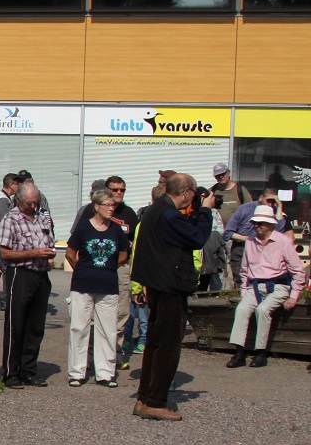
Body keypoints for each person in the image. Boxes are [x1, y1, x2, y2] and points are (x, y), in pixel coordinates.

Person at [132, 173, 213, 421]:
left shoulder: (156, 210)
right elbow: (197, 237)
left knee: (156, 342)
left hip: (158, 284)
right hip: (168, 286)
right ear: (186, 192)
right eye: (193, 194)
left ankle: (145, 397)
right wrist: (206, 211)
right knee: (167, 345)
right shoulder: (168, 214)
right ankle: (155, 401)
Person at [65, 190, 131, 387]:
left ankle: (105, 373)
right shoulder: (84, 227)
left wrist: (108, 268)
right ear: (97, 206)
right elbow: (70, 253)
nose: (111, 209)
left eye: (113, 205)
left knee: (108, 329)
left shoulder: (116, 230)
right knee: (79, 328)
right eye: (107, 205)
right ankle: (76, 372)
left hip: (108, 285)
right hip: (82, 285)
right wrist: (83, 269)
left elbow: (123, 254)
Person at [226, 204, 305, 368]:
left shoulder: (283, 241)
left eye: (260, 223)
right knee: (241, 309)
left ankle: (261, 353)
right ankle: (239, 352)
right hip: (255, 286)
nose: (256, 226)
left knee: (262, 310)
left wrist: (294, 295)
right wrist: (244, 290)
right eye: (255, 223)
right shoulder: (250, 242)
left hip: (278, 286)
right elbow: (244, 270)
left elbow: (297, 270)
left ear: (270, 224)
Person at [0, 183, 55, 388]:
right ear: (19, 200)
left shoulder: (42, 218)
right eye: (29, 203)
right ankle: (11, 372)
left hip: (41, 274)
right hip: (20, 273)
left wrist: (48, 253)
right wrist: (33, 253)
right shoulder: (10, 220)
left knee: (35, 326)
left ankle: (29, 370)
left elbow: (50, 240)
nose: (32, 206)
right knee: (16, 324)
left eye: (35, 202)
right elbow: (5, 253)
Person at [224, 188, 289, 286]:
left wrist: (279, 206)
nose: (270, 204)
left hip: (264, 252)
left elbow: (279, 230)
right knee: (241, 282)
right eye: (268, 201)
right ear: (261, 198)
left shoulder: (274, 211)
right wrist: (248, 239)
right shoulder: (244, 209)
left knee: (261, 282)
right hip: (242, 249)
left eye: (273, 202)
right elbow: (227, 233)